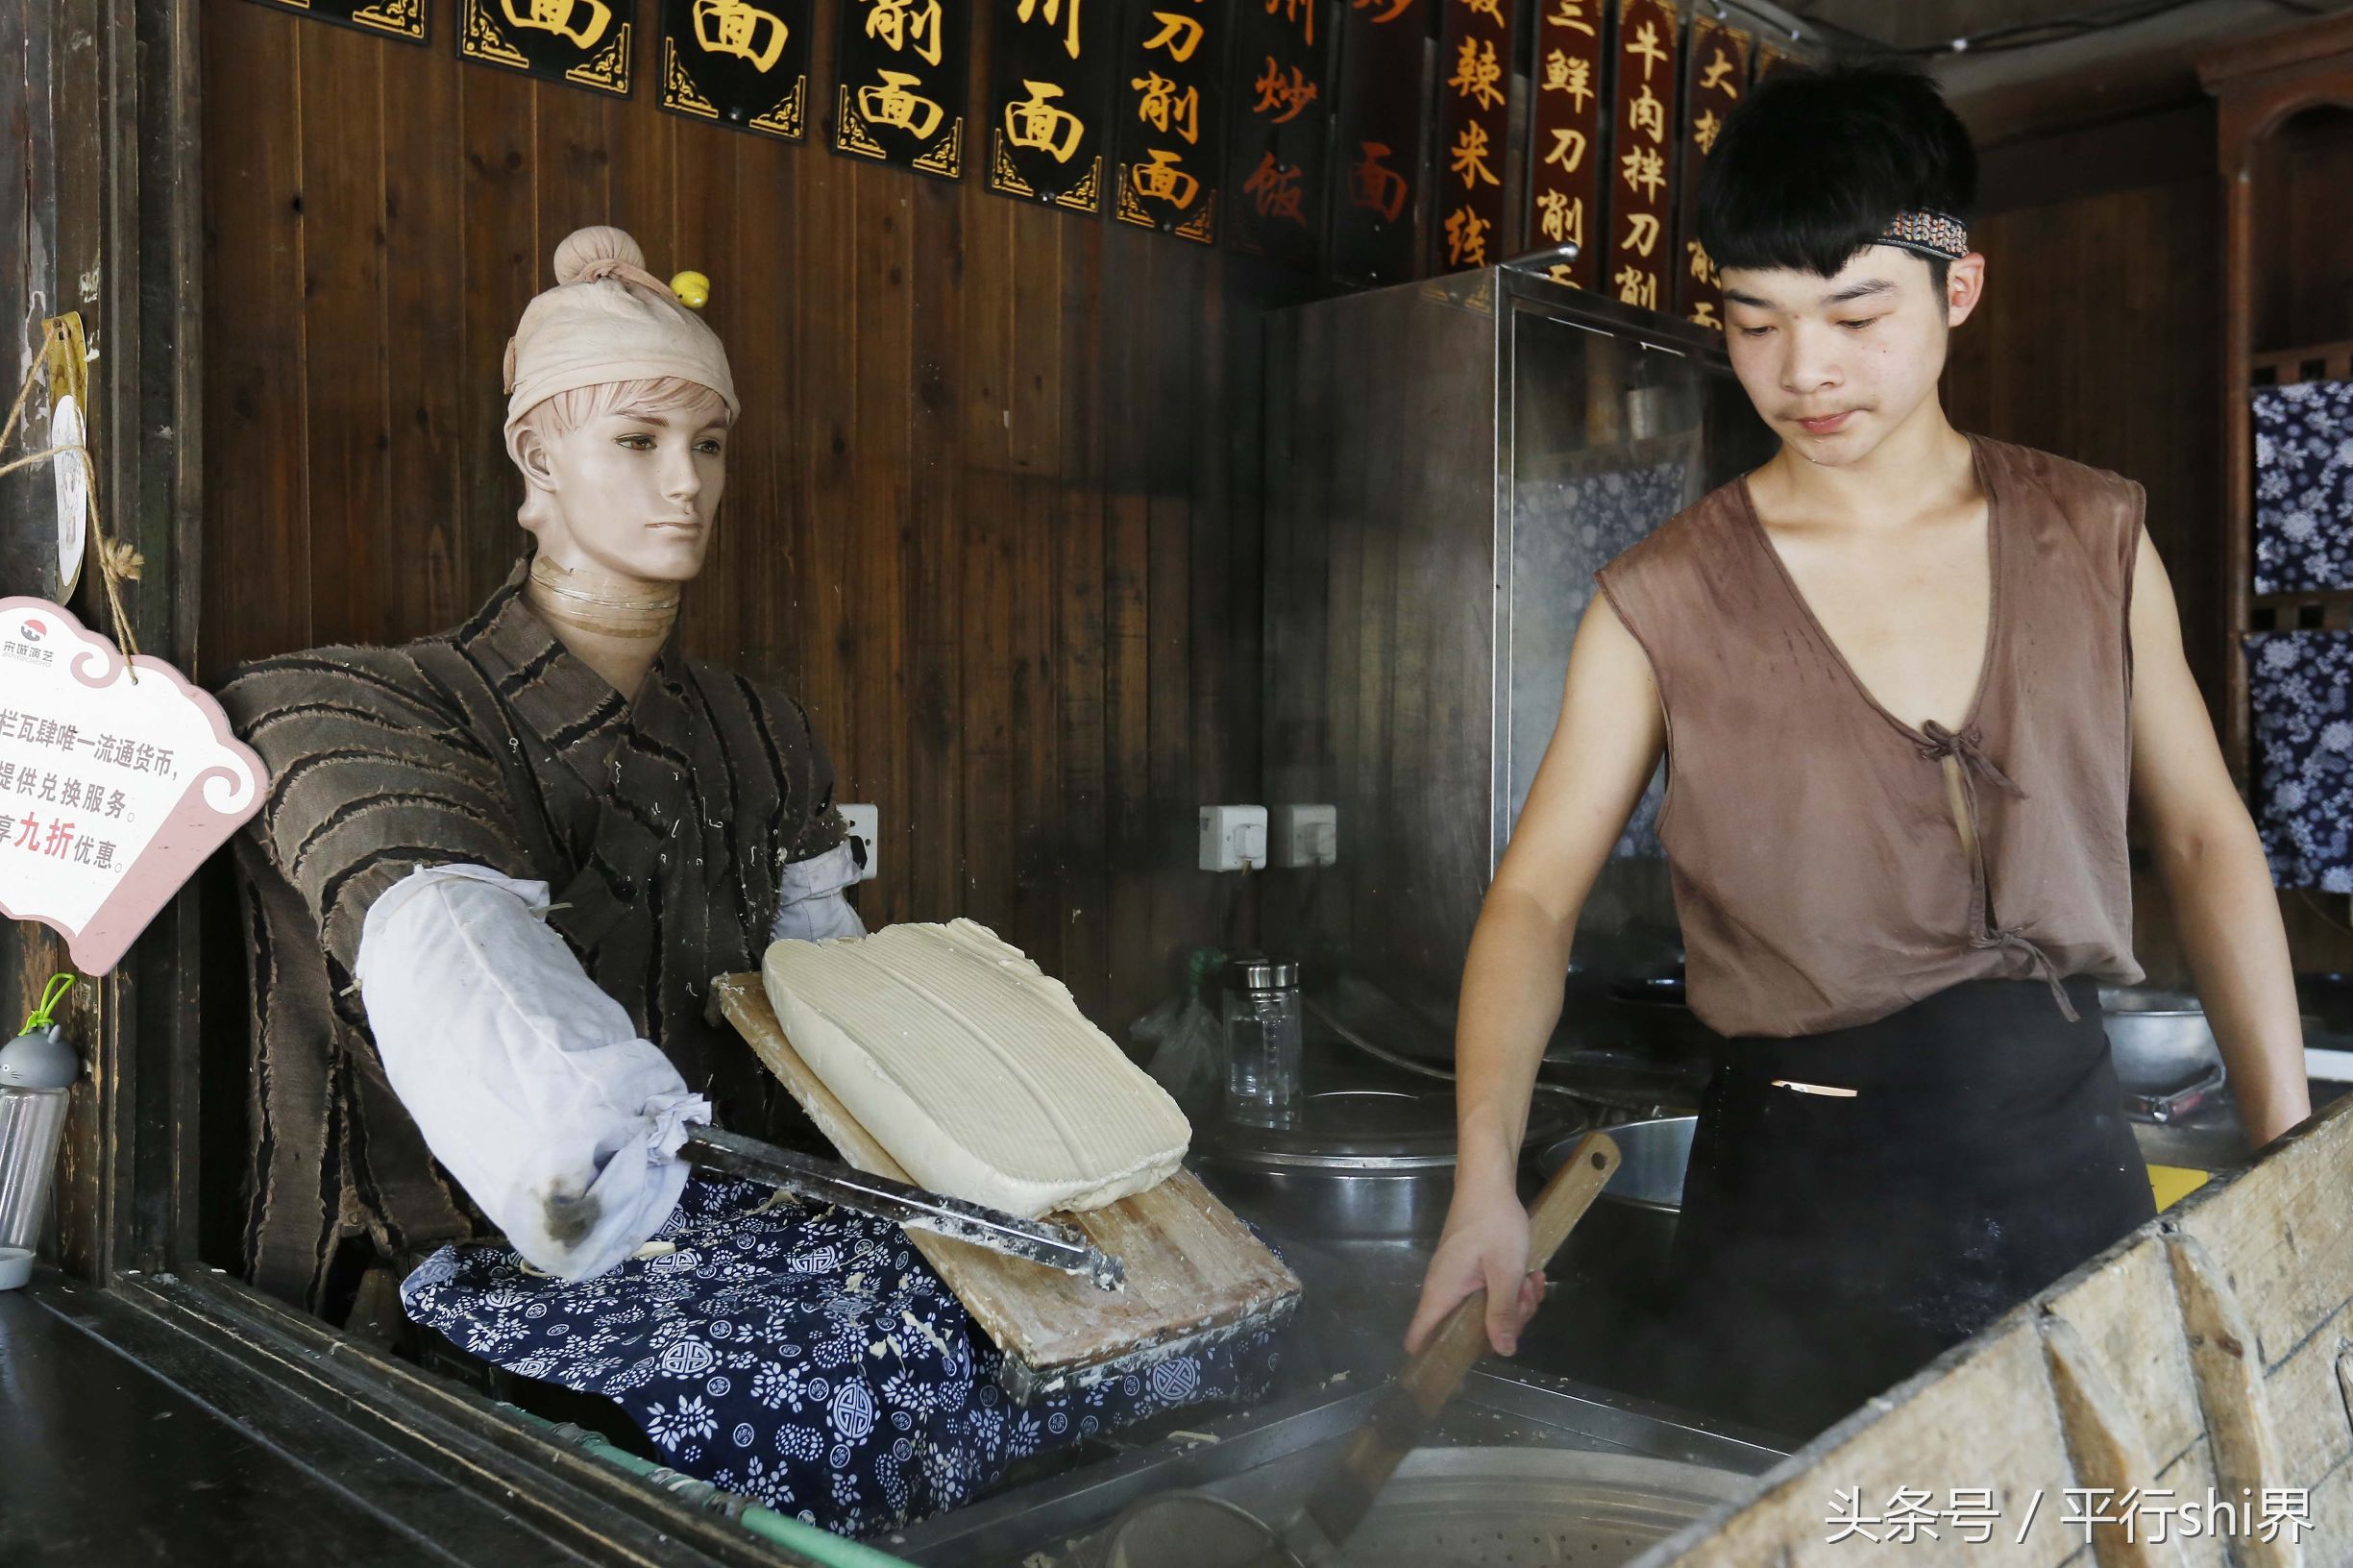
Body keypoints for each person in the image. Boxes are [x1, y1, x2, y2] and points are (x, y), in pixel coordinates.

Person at [221, 228, 1275, 1533]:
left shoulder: (755, 730)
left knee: (1107, 1318)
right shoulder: (349, 702)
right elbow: (447, 930)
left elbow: (833, 999)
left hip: (724, 1228)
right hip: (450, 1269)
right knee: (856, 1395)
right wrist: (588, 1142)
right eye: (637, 440)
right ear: (535, 457)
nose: (687, 486)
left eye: (709, 445)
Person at [1406, 63, 2312, 1439]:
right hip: (1791, 1196)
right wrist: (1484, 1183)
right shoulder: (1660, 598)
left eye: (1853, 312)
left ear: (1957, 289)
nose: (1802, 371)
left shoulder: (2090, 537)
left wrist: (2288, 1152)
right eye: (1755, 322)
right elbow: (1531, 900)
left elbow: (2199, 835)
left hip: (2064, 1159)